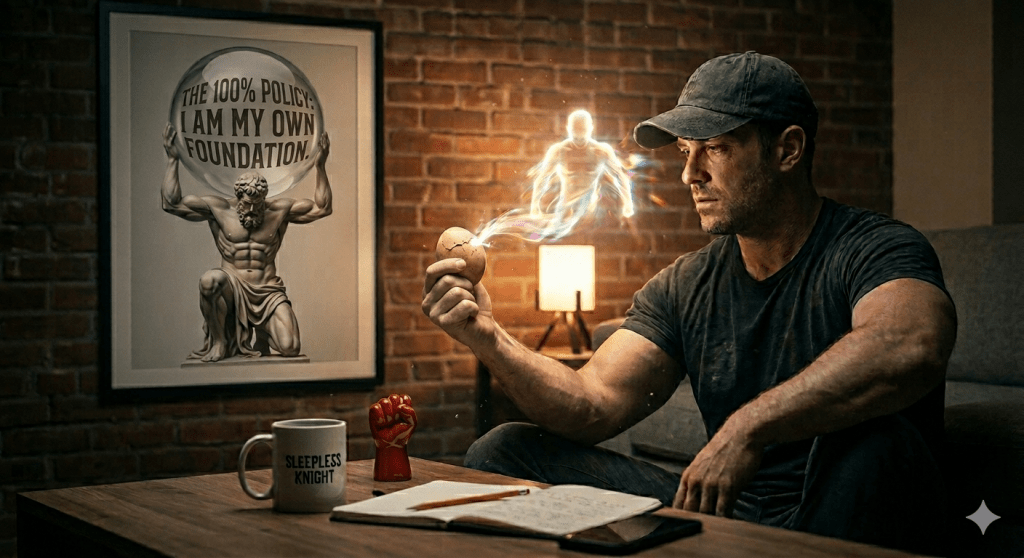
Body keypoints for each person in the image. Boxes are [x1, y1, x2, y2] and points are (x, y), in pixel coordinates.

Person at [422, 51, 958, 554]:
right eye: (685, 152)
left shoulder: (876, 247)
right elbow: (592, 402)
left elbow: (910, 343)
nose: (690, 174)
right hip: (733, 511)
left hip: (843, 511)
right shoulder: (686, 283)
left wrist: (747, 428)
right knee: (503, 450)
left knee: (877, 443)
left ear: (787, 150)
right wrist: (488, 337)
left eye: (717, 148)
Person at [161, 123, 333, 362]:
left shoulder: (279, 210)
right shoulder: (219, 209)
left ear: (265, 199)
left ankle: (263, 333)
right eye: (246, 204)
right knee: (210, 281)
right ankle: (220, 343)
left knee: (291, 347)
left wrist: (320, 167)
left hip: (268, 290)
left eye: (257, 205)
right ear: (237, 198)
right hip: (233, 287)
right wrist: (172, 160)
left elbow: (322, 208)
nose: (252, 210)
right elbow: (172, 203)